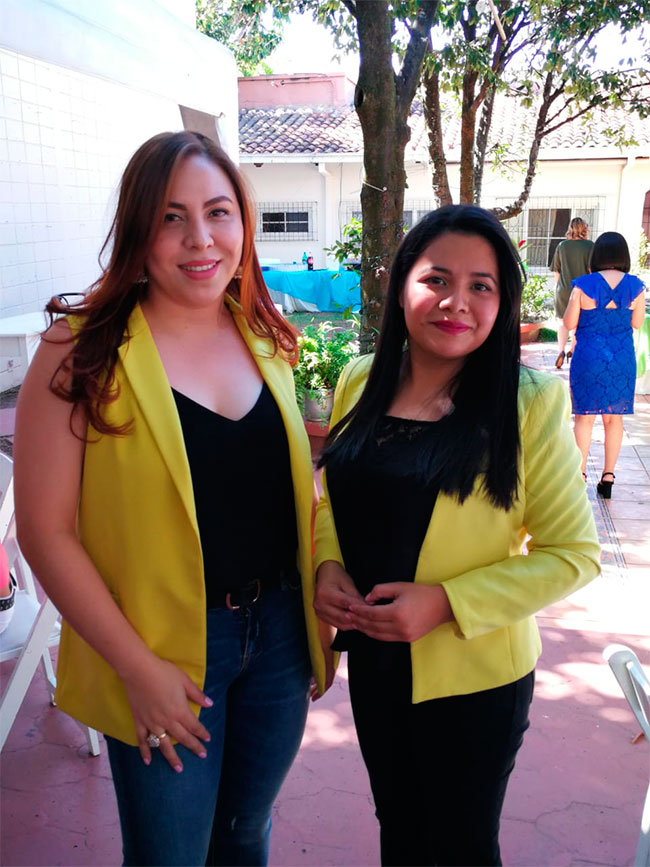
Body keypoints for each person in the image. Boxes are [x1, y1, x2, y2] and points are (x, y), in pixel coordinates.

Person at [13, 131, 333, 867]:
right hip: (161, 649)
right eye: (171, 217)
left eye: (218, 212)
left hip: (279, 638)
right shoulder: (80, 350)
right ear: (138, 229)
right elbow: (44, 531)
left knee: (245, 833)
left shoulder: (264, 335)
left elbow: (294, 493)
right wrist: (136, 667)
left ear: (243, 222)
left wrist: (323, 590)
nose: (201, 239)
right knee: (170, 855)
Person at [313, 204, 601, 867]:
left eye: (481, 285)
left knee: (460, 847)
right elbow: (335, 494)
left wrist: (446, 602)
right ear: (401, 286)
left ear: (502, 302)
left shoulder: (528, 401)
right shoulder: (361, 379)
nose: (456, 302)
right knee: (399, 830)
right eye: (436, 279)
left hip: (474, 682)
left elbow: (573, 555)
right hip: (377, 662)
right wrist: (328, 563)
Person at [564, 231, 646, 498]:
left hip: (589, 357)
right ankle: (608, 477)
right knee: (613, 419)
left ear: (596, 255)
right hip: (621, 359)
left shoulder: (583, 284)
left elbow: (569, 323)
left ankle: (580, 475)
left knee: (584, 418)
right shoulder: (636, 286)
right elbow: (637, 323)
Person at [551, 217, 594, 368]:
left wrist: (559, 287)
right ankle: (573, 351)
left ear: (570, 228)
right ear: (585, 229)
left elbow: (556, 271)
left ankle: (561, 351)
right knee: (578, 323)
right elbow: (592, 271)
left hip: (563, 290)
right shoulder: (590, 246)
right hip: (582, 291)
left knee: (563, 322)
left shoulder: (562, 246)